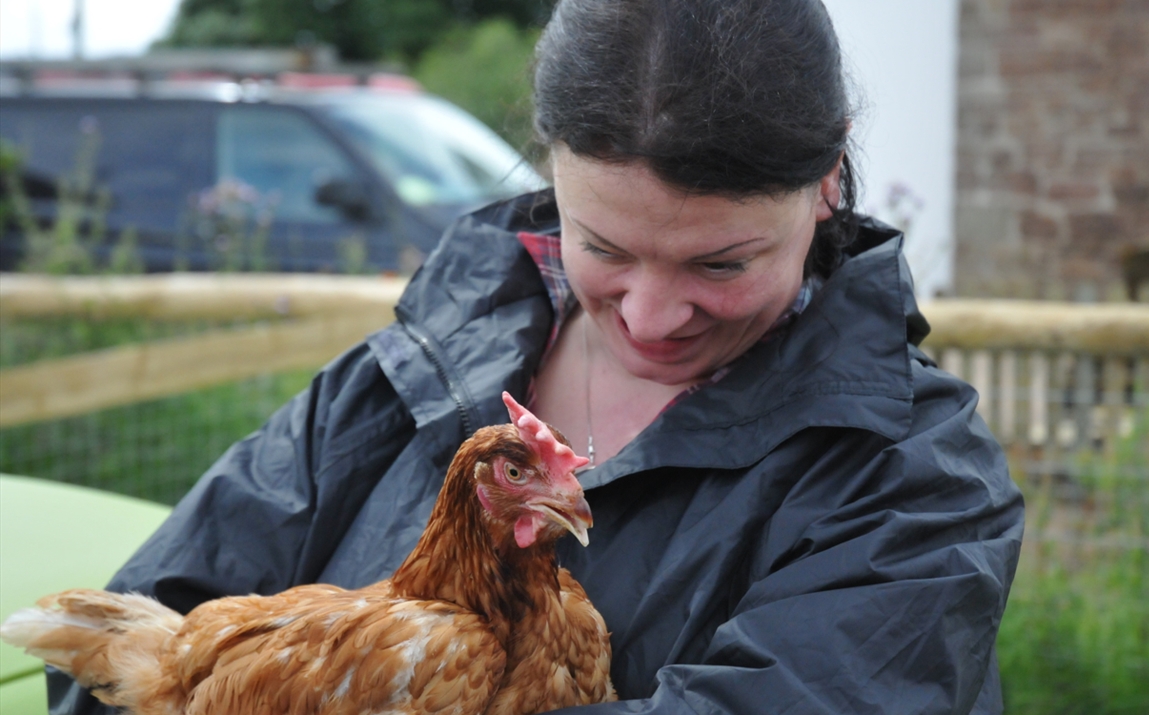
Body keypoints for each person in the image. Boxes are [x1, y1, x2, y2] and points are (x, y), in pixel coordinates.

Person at [51, 0, 1023, 712]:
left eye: (719, 262)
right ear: (548, 168)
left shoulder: (911, 483)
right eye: (601, 247)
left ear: (825, 183)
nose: (649, 314)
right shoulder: (411, 372)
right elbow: (145, 641)